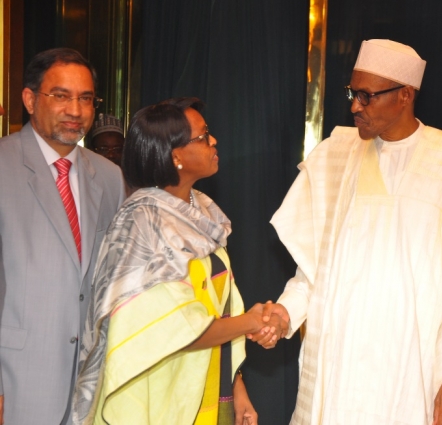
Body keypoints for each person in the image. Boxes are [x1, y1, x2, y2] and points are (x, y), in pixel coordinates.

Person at [257, 39, 442, 424]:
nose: (354, 106)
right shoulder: (335, 156)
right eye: (352, 93)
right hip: (338, 363)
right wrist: (286, 313)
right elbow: (314, 268)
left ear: (405, 95)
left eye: (366, 96)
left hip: (414, 368)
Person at [73, 97, 284, 425]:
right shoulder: (142, 225)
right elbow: (178, 328)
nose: (213, 141)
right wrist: (253, 322)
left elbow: (218, 306)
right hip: (160, 395)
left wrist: (236, 386)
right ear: (175, 156)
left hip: (208, 386)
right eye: (202, 137)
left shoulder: (201, 210)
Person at [0, 48, 125, 424]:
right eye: (61, 96)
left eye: (85, 98)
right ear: (29, 99)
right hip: (18, 380)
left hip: (91, 383)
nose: (76, 110)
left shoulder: (107, 176)